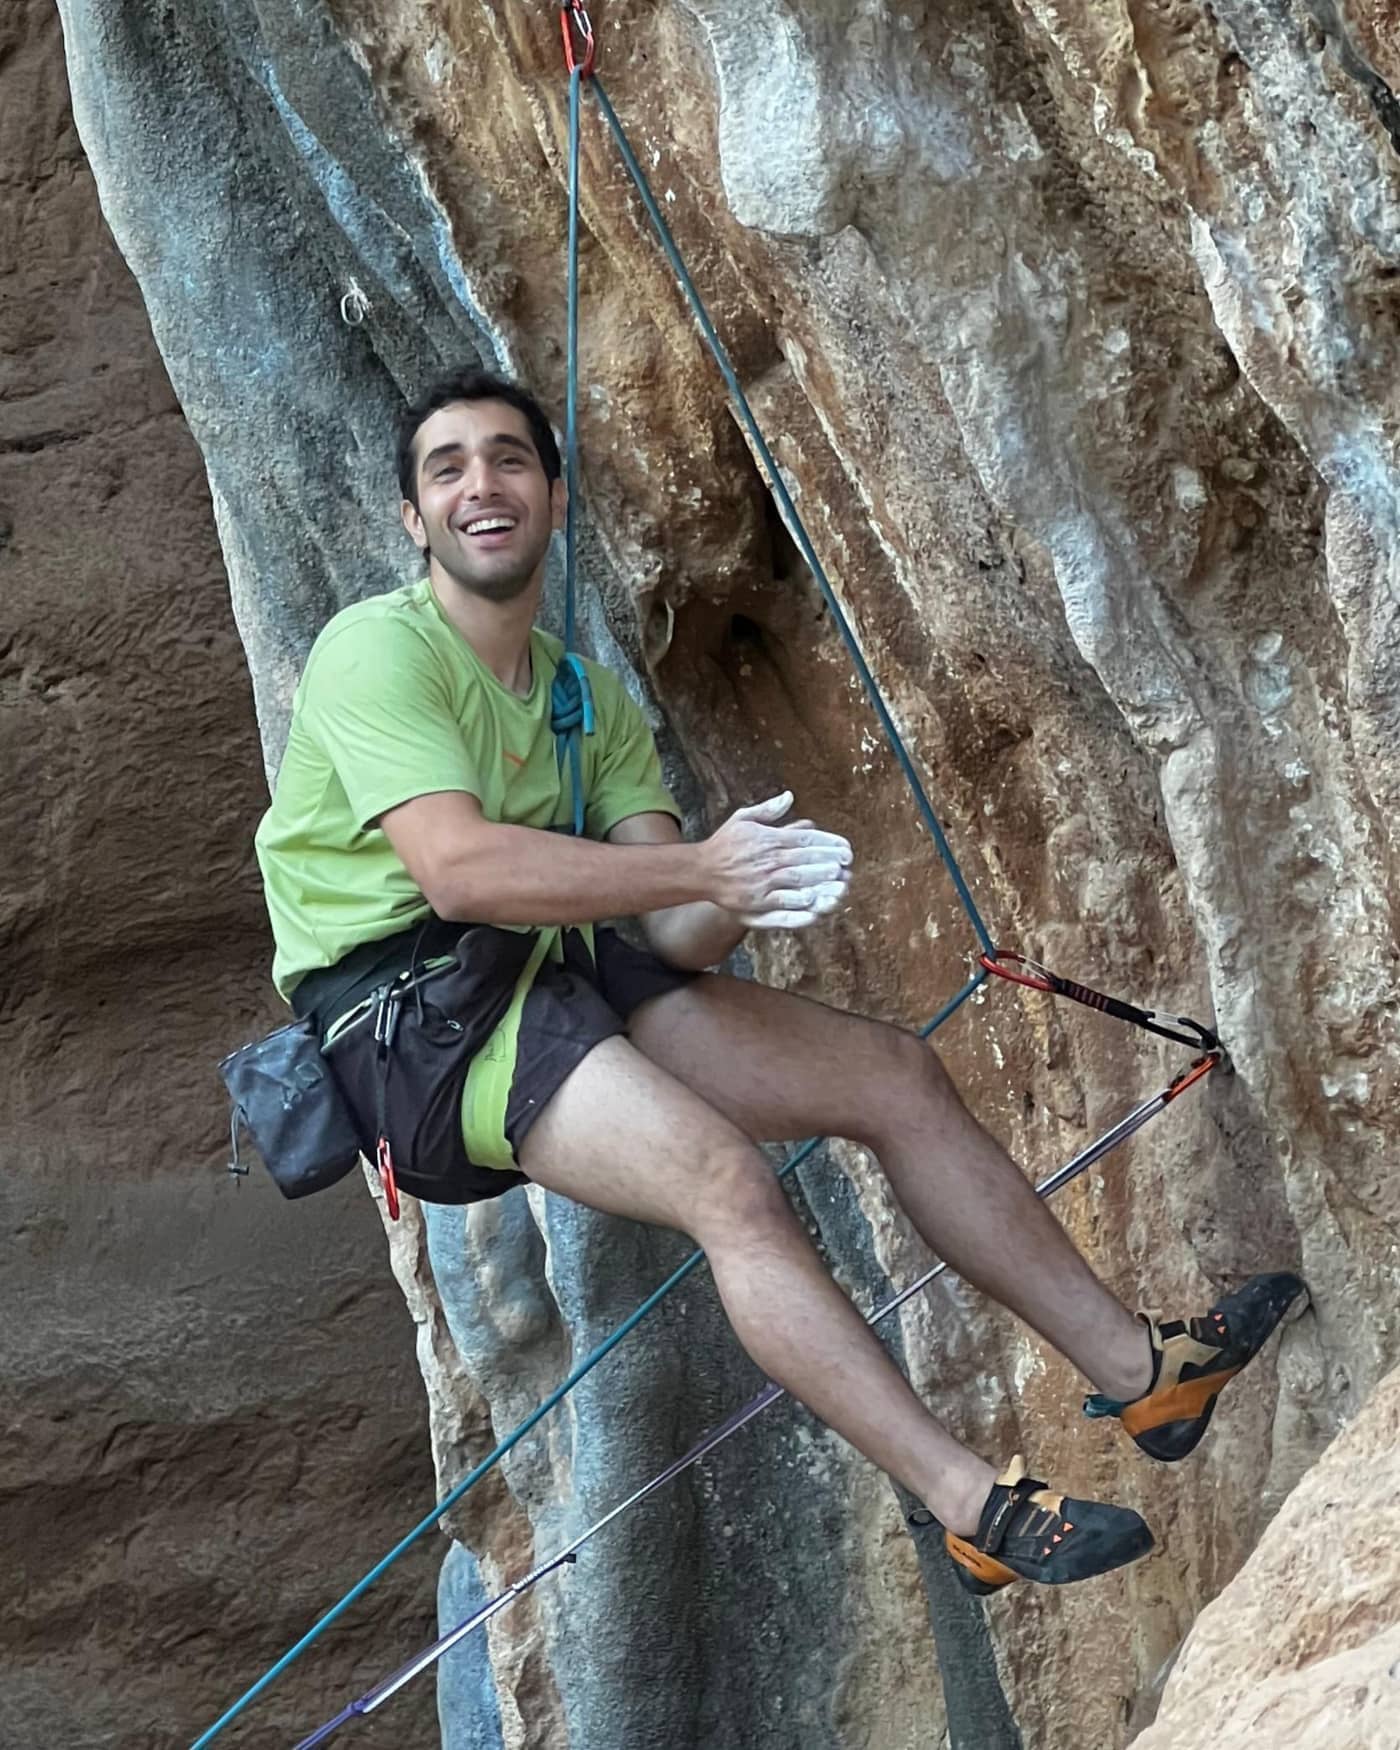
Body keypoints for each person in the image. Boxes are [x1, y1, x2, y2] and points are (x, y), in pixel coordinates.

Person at [254, 368, 1306, 1595]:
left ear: (553, 494)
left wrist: (741, 882)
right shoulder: (377, 650)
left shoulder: (582, 700)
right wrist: (697, 867)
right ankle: (969, 1506)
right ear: (412, 517)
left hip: (548, 968)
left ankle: (1142, 1372)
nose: (480, 484)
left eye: (508, 459)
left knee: (890, 1075)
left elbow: (671, 929)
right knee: (725, 1182)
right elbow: (458, 868)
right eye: (448, 469)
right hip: (414, 1028)